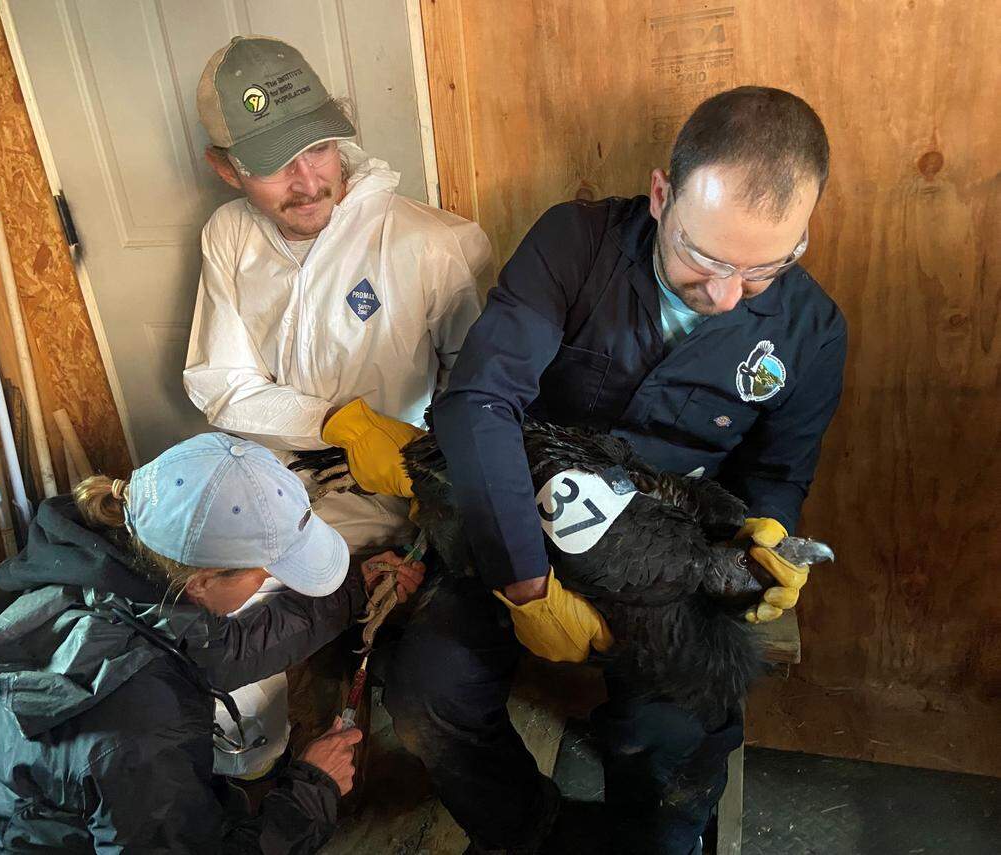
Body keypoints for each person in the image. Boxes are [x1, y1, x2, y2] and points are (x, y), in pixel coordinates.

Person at [350, 87, 847, 853]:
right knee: (429, 691)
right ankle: (531, 831)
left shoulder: (811, 331)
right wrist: (524, 583)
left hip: (665, 558)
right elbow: (480, 402)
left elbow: (780, 469)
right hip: (515, 515)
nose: (724, 295)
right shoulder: (573, 244)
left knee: (672, 730)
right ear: (660, 196)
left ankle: (654, 839)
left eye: (764, 270)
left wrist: (765, 539)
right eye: (704, 257)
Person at [0, 433, 424, 854]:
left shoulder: (108, 580)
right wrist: (310, 792)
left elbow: (223, 649)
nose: (270, 583)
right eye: (267, 574)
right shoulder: (139, 731)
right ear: (204, 581)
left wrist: (353, 592)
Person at [183, 35, 491, 557]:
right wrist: (334, 423)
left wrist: (436, 486)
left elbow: (479, 403)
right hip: (267, 476)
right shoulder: (229, 234)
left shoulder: (437, 245)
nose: (308, 182)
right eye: (272, 165)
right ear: (225, 168)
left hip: (385, 494)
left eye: (319, 148)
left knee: (265, 599)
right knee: (185, 577)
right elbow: (223, 384)